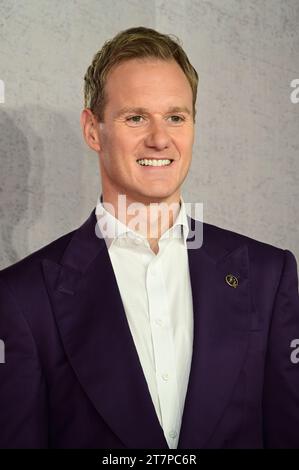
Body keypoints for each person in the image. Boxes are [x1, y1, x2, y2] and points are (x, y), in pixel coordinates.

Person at [0, 26, 299, 449]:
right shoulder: (22, 298)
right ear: (92, 129)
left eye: (176, 117)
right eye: (136, 117)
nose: (160, 139)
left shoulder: (269, 276)